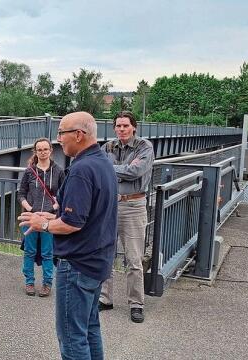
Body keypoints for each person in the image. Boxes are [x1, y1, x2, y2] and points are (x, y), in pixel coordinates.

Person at [18, 111, 117, 360]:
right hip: (98, 260)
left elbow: (72, 223)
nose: (58, 139)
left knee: (72, 337)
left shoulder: (81, 170)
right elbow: (86, 214)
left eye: (61, 133)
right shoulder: (103, 162)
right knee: (90, 328)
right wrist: (49, 217)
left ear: (79, 135)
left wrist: (46, 226)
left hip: (78, 265)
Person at [98, 111, 154, 323]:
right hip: (110, 204)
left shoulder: (144, 146)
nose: (121, 129)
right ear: (114, 128)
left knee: (133, 258)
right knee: (105, 254)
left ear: (133, 127)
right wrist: (118, 169)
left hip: (133, 204)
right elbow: (101, 169)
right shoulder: (107, 147)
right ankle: (105, 298)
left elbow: (135, 172)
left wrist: (109, 168)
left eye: (125, 126)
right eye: (118, 126)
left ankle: (136, 304)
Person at [18, 138, 64, 297]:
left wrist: (55, 208)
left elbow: (63, 195)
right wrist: (31, 209)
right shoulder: (29, 171)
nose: (43, 152)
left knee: (47, 252)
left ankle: (47, 283)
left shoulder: (58, 171)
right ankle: (29, 282)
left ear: (51, 150)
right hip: (31, 217)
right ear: (35, 152)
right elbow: (21, 194)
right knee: (29, 251)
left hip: (49, 218)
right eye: (40, 150)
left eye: (46, 149)